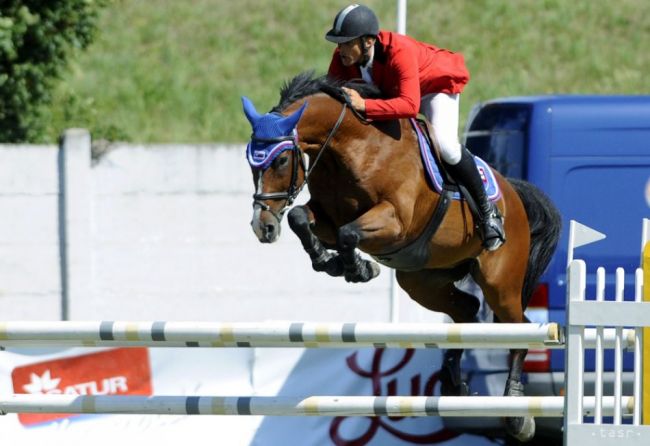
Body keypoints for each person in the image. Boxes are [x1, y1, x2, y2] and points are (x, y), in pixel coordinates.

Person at [325, 4, 505, 251]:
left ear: (367, 42)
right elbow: (332, 99)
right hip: (394, 92)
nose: (339, 49)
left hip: (433, 88)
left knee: (446, 146)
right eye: (338, 43)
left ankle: (488, 212)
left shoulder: (400, 51)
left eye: (346, 42)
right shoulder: (343, 58)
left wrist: (365, 106)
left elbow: (409, 105)